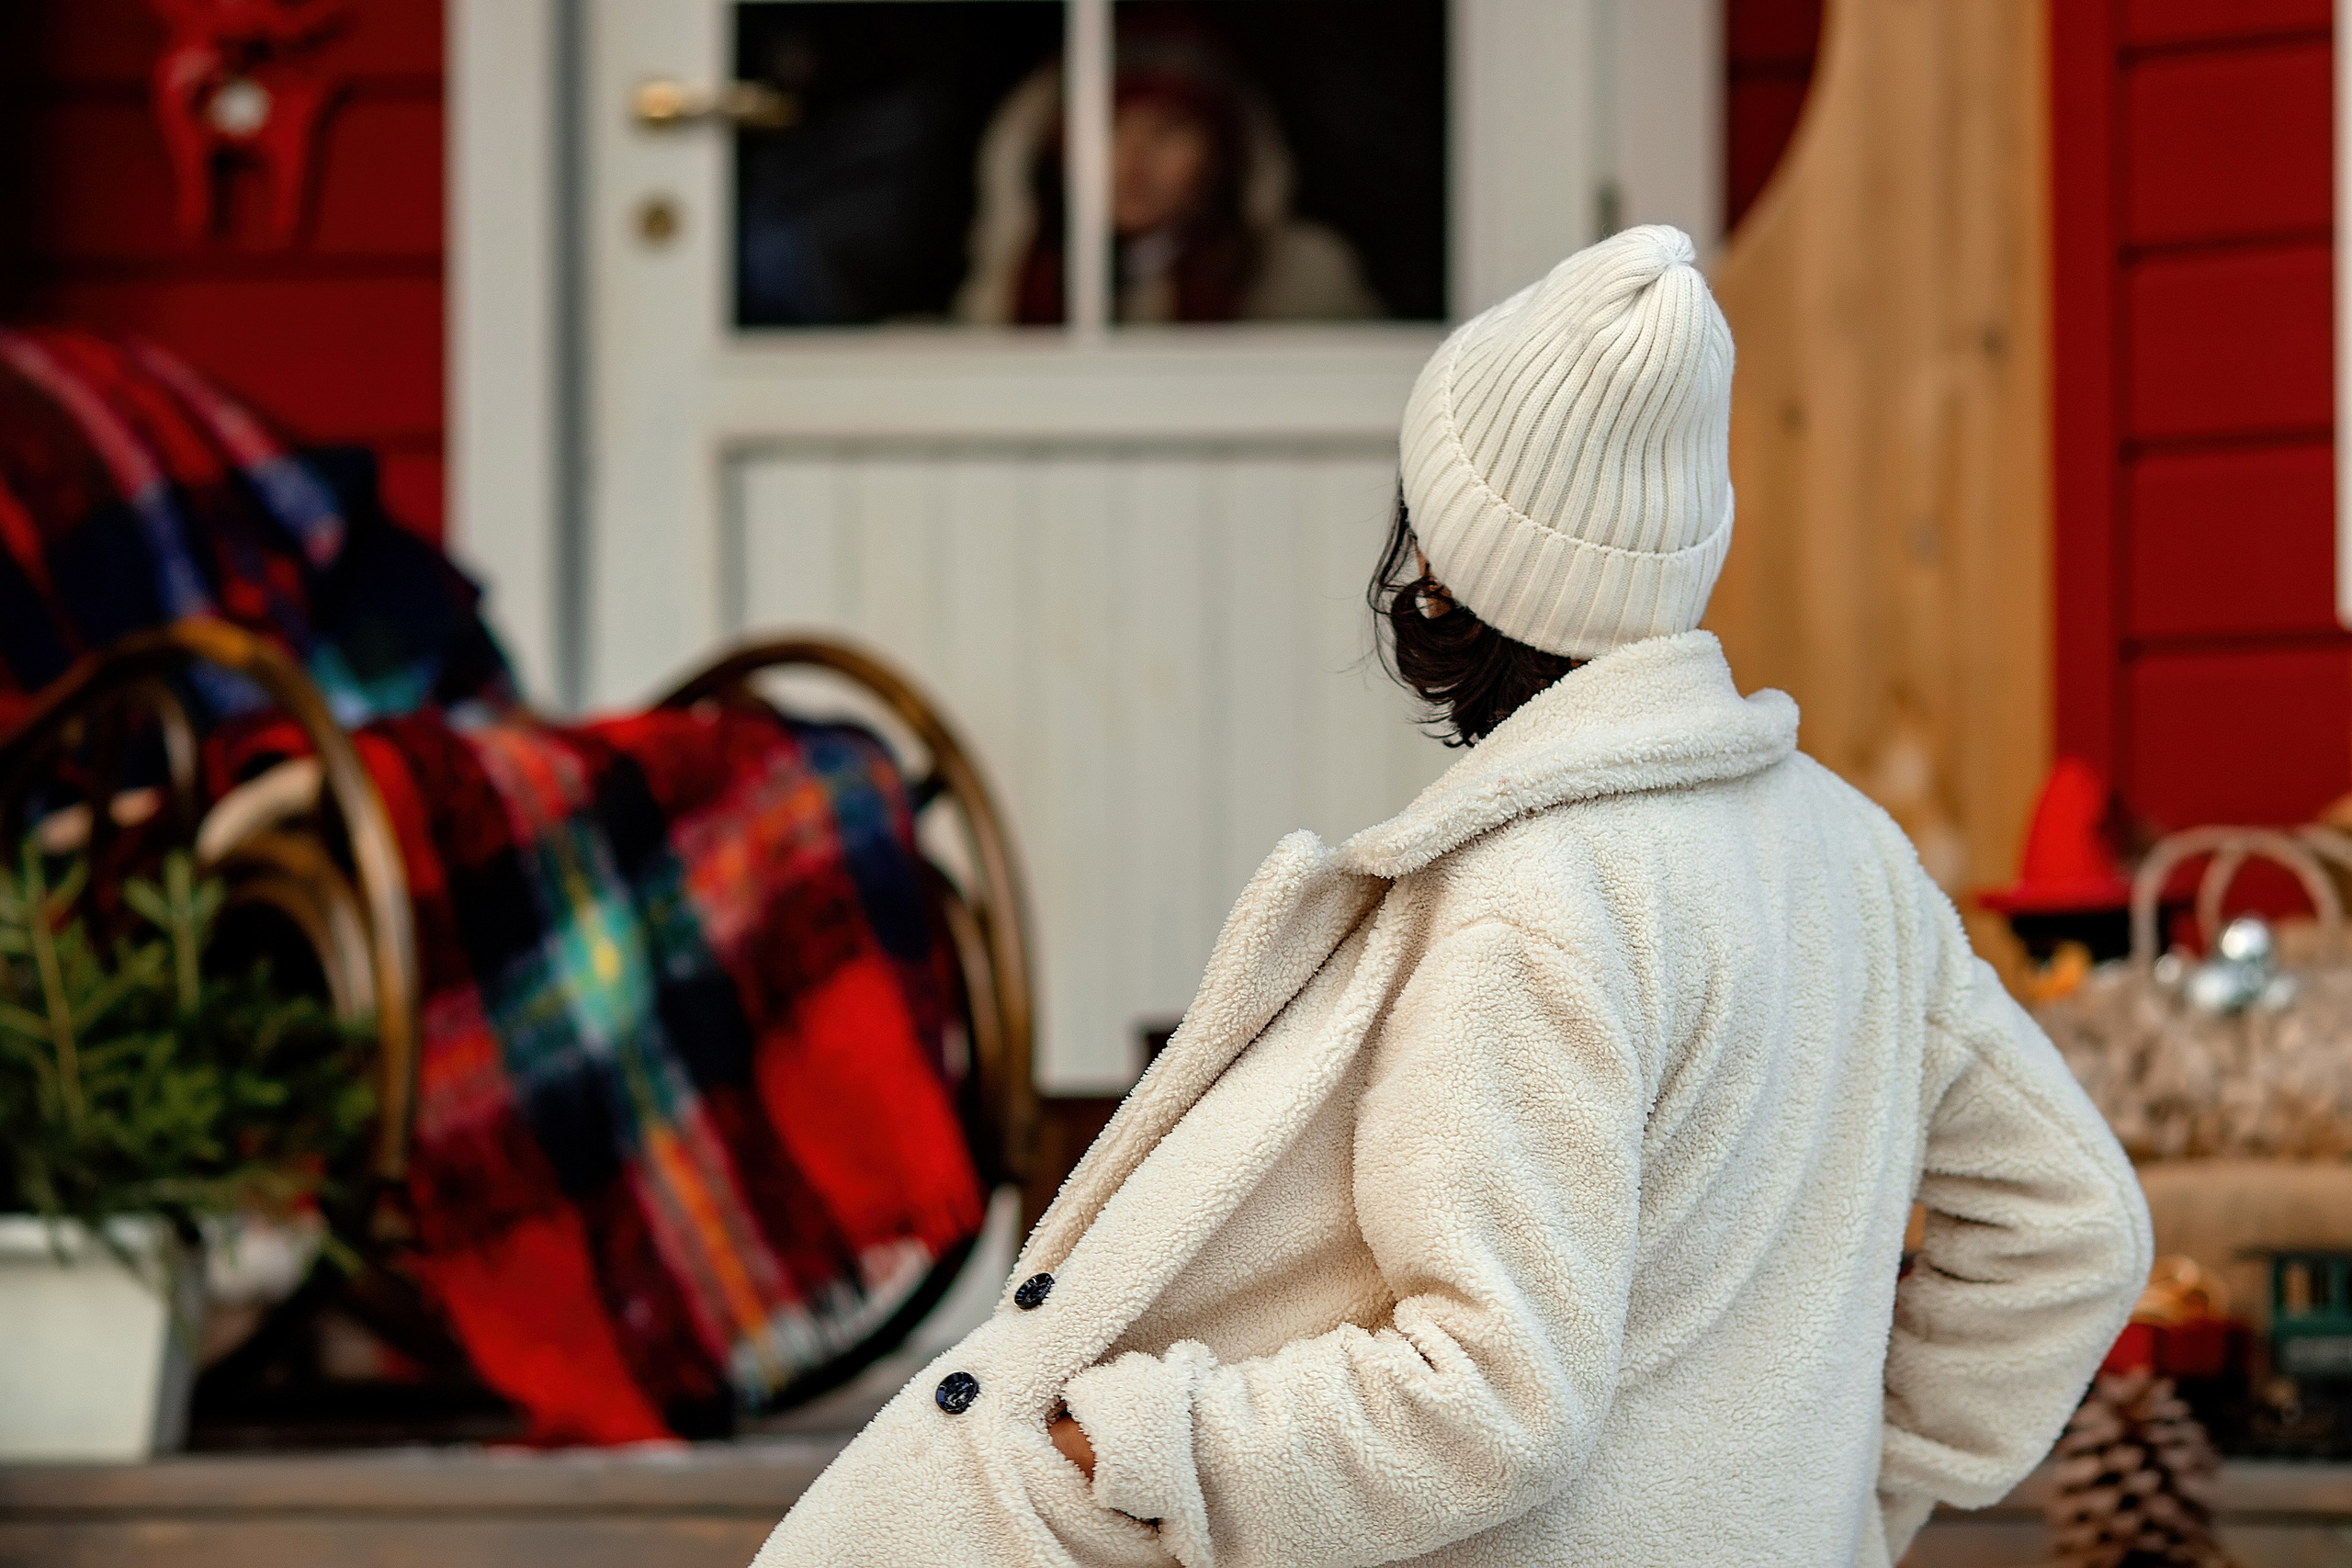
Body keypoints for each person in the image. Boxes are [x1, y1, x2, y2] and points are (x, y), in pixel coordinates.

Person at [755, 226, 2152, 1566]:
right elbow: (2075, 1223)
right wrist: (1842, 1485)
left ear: (1438, 565)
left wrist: (1140, 1439)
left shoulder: (1534, 899)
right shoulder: (1850, 855)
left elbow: (1491, 1394)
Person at [955, 24, 1382, 325]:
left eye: (1169, 130)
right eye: (1106, 127)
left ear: (1222, 155)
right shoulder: (1009, 283)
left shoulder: (1301, 279)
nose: (1133, 160)